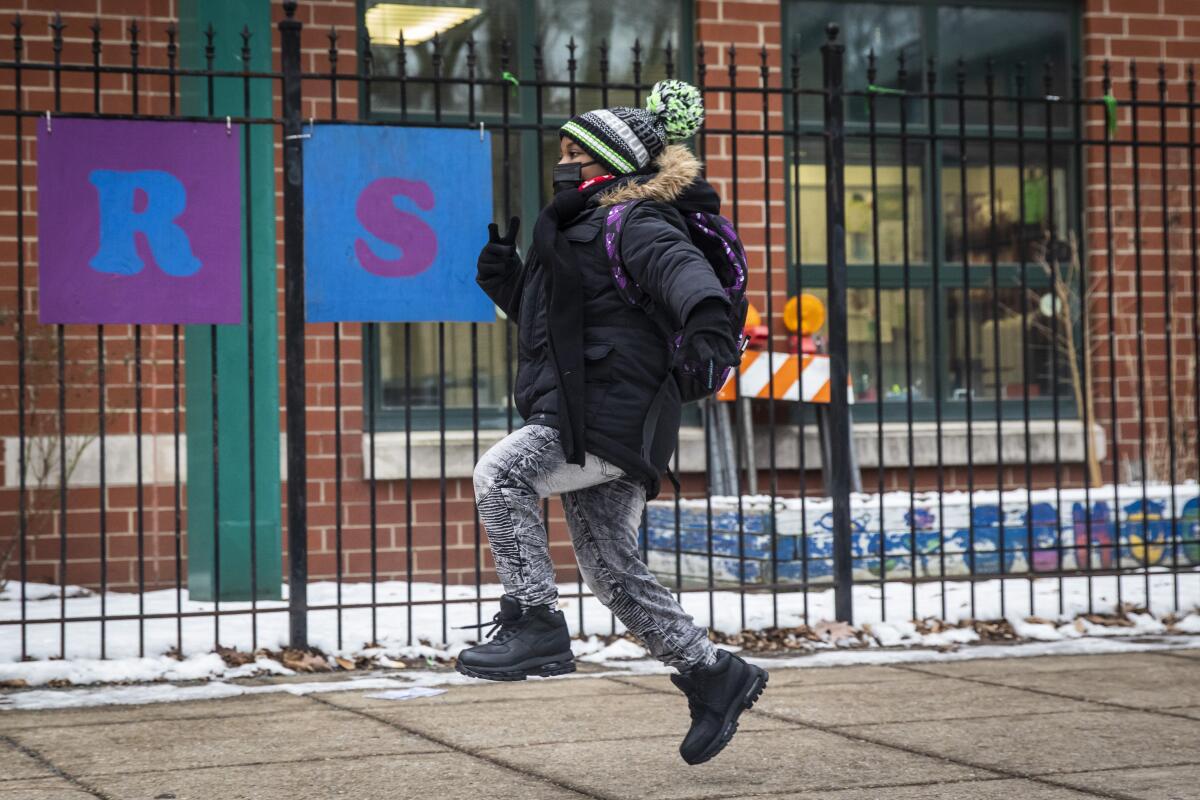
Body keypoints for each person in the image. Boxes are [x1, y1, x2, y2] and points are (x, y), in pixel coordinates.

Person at [462, 79, 768, 765]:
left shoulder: (635, 220)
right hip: (594, 408)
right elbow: (570, 326)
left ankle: (535, 619)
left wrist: (710, 324)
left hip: (610, 413)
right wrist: (507, 283)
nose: (561, 161)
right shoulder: (581, 225)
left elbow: (686, 276)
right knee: (615, 573)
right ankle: (714, 674)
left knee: (502, 473)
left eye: (573, 151)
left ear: (607, 161)